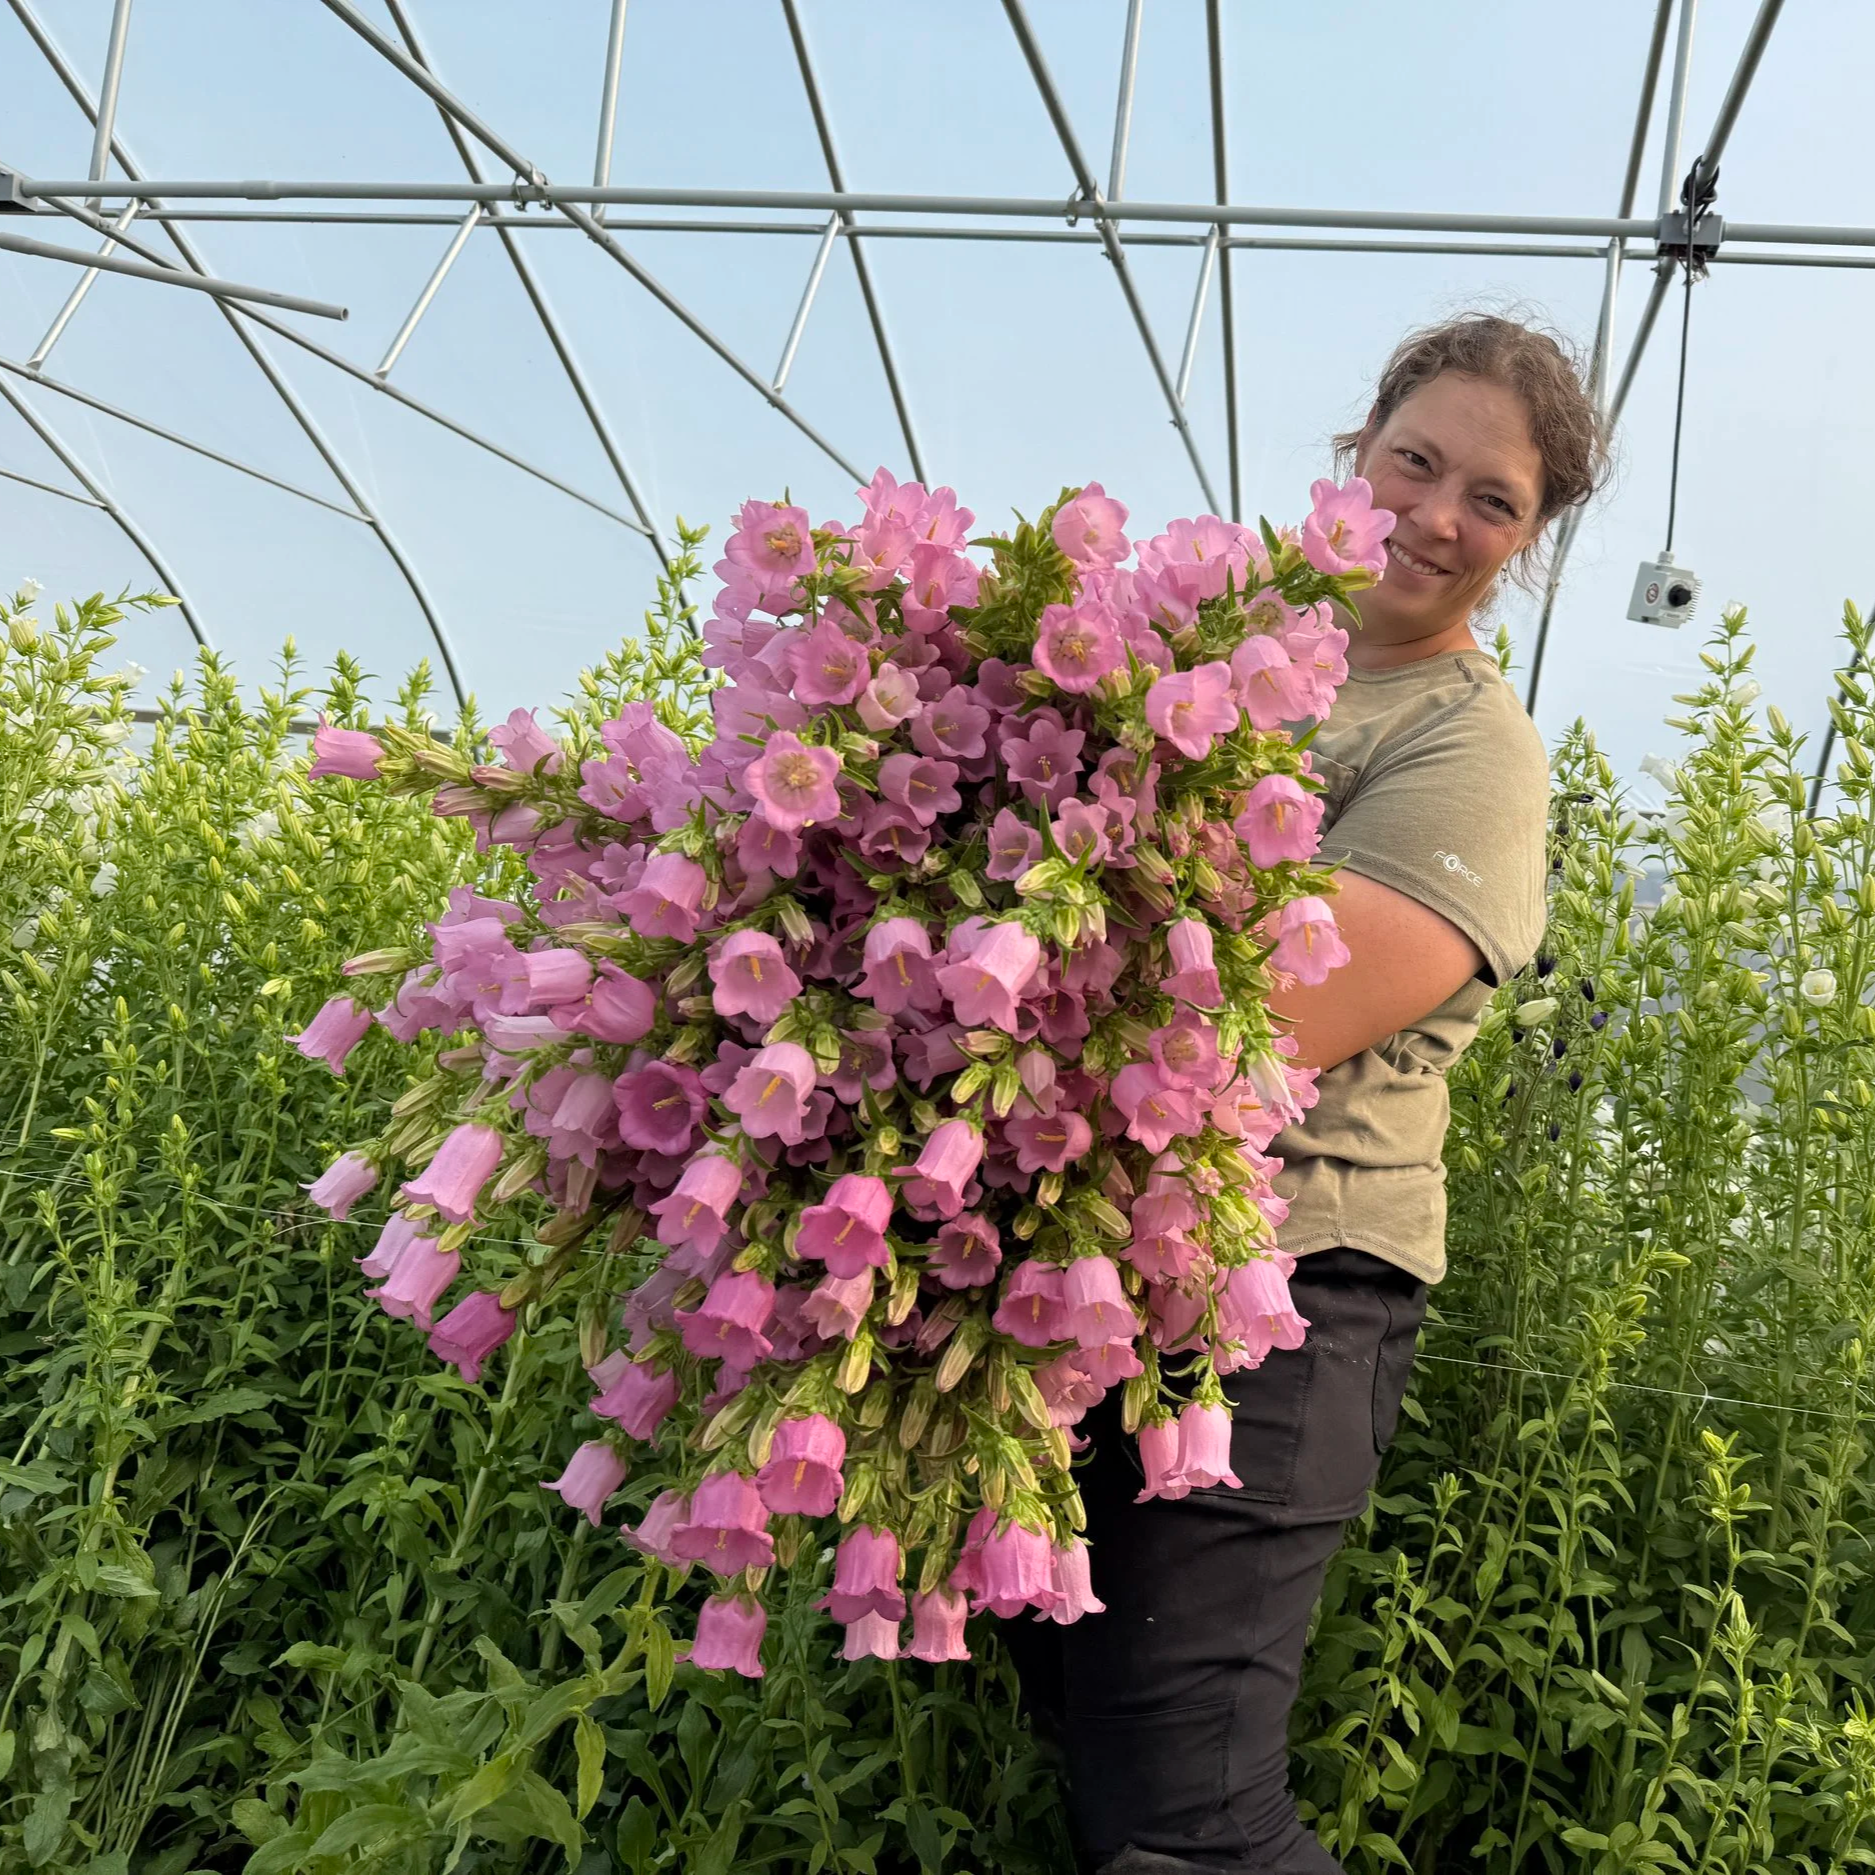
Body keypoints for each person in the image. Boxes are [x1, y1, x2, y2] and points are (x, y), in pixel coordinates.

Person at [1007, 312, 1609, 1874]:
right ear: (1358, 453)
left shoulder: (1466, 747)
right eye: (1415, 459)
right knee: (1090, 1741)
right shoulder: (1231, 658)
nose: (1435, 512)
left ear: (1527, 542)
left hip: (1280, 1303)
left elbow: (1271, 1016)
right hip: (1097, 1279)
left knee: (1189, 1818)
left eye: (1492, 498)